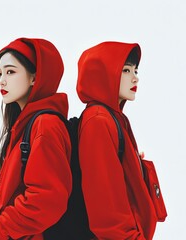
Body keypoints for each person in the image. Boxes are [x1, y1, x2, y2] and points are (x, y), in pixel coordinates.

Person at [0, 38, 72, 240]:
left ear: (34, 78)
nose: (2, 80)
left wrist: (0, 228)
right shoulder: (22, 127)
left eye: (11, 72)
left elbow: (47, 200)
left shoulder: (45, 125)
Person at [76, 41, 167, 239]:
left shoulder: (113, 118)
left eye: (135, 70)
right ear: (101, 74)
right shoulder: (98, 121)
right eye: (125, 70)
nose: (135, 78)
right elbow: (106, 212)